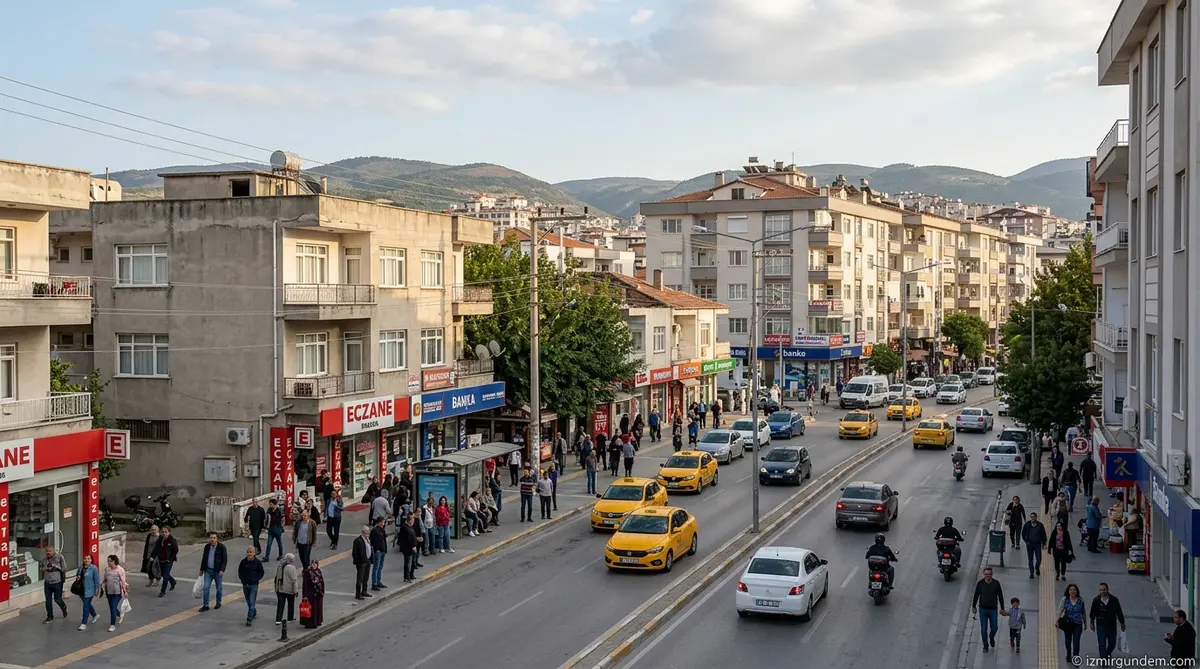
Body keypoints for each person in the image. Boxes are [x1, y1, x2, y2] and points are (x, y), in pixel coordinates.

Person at [1089, 582, 1126, 659]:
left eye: (1104, 590)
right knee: (1102, 644)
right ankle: (1103, 659)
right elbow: (1092, 613)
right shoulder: (1096, 600)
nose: (1102, 591)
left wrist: (1122, 623)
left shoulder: (1114, 600)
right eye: (1101, 590)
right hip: (1101, 625)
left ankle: (1108, 653)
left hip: (1111, 625)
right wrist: (1092, 623)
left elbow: (1119, 612)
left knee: (1112, 644)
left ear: (1108, 590)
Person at [971, 567, 1004, 652]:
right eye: (986, 574)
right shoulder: (980, 583)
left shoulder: (996, 583)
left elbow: (1000, 596)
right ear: (984, 574)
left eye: (989, 574)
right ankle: (985, 646)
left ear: (992, 574)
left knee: (994, 627)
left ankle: (991, 636)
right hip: (983, 609)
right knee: (983, 629)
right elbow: (976, 595)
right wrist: (974, 606)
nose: (987, 576)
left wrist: (1002, 608)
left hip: (993, 609)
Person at [197, 532, 227, 612]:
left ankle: (218, 602)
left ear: (217, 539)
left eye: (214, 538)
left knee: (219, 588)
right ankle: (205, 605)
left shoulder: (222, 547)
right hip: (208, 571)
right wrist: (201, 569)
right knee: (206, 588)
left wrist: (222, 570)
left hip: (218, 571)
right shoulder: (207, 547)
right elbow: (204, 558)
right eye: (211, 538)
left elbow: (225, 560)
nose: (212, 539)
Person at [1058, 582, 1087, 662]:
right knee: (1068, 641)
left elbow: (1083, 612)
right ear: (1068, 591)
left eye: (1074, 590)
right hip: (1068, 623)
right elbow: (1060, 610)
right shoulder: (1065, 599)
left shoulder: (1081, 601)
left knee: (1076, 641)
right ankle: (1068, 655)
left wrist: (1085, 623)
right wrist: (1057, 620)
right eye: (1071, 590)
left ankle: (1075, 657)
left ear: (1077, 591)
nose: (1072, 591)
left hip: (1078, 624)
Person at [237, 546, 264, 626]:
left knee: (252, 601)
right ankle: (253, 611)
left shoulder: (258, 562)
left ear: (254, 553)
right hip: (245, 584)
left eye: (251, 552)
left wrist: (256, 579)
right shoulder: (243, 562)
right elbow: (240, 571)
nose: (249, 554)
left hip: (253, 585)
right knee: (248, 601)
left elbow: (261, 572)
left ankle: (249, 618)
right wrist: (242, 579)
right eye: (248, 552)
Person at [41, 545, 68, 622]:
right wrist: (44, 569)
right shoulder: (44, 560)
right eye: (47, 551)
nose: (48, 553)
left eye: (50, 551)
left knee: (57, 599)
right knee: (48, 601)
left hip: (57, 582)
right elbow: (42, 568)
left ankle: (63, 607)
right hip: (47, 583)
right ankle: (50, 616)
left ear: (53, 551)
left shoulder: (59, 557)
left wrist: (56, 568)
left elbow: (64, 568)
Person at [102, 555, 128, 633]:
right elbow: (105, 580)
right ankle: (120, 614)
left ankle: (112, 625)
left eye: (110, 561)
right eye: (108, 561)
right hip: (109, 592)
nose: (109, 563)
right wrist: (102, 586)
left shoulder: (120, 570)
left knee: (113, 609)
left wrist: (125, 591)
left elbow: (123, 582)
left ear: (114, 561)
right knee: (112, 608)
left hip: (117, 593)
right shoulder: (107, 570)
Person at [75, 554, 101, 631]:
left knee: (85, 606)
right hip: (81, 590)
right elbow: (77, 575)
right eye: (85, 558)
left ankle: (83, 623)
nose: (86, 560)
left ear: (91, 560)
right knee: (87, 604)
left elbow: (96, 580)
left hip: (89, 590)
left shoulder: (94, 568)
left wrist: (97, 589)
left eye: (88, 559)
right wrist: (78, 577)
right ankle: (94, 615)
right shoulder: (81, 567)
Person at [153, 526, 180, 596]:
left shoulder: (172, 540)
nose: (164, 533)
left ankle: (162, 591)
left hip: (168, 561)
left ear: (169, 532)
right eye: (163, 532)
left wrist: (170, 558)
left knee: (165, 576)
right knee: (163, 574)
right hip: (161, 560)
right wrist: (153, 556)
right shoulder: (160, 539)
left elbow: (176, 550)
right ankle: (173, 582)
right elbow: (156, 548)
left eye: (166, 532)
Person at [1021, 512, 1048, 579]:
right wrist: (1026, 541)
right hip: (1029, 544)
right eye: (1031, 517)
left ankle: (1037, 567)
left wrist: (1044, 543)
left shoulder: (1040, 525)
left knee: (1039, 559)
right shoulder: (1027, 524)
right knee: (1030, 559)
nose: (1032, 518)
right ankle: (1031, 572)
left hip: (1037, 544)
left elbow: (1043, 534)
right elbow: (1023, 533)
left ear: (1036, 517)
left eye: (1034, 517)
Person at [273, 553, 299, 623]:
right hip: (290, 590)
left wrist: (276, 588)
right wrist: (295, 591)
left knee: (280, 605)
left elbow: (277, 578)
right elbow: (294, 580)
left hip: (281, 589)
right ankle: (290, 618)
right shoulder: (292, 568)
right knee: (291, 604)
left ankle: (278, 619)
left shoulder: (280, 566)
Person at [301, 559, 325, 629]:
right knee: (311, 609)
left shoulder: (318, 571)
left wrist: (322, 591)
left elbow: (321, 581)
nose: (314, 565)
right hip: (310, 594)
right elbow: (305, 585)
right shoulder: (308, 572)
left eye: (315, 564)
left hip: (318, 593)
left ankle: (317, 622)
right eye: (313, 563)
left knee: (317, 608)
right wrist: (305, 595)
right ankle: (310, 623)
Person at [351, 527, 373, 600]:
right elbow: (354, 553)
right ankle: (358, 594)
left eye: (368, 533)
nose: (367, 534)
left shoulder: (367, 540)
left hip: (367, 561)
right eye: (366, 533)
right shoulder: (358, 540)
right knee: (360, 579)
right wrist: (359, 562)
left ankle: (364, 591)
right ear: (362, 532)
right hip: (361, 562)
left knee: (366, 577)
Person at [397, 515, 419, 583]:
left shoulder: (409, 527)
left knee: (412, 562)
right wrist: (413, 546)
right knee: (408, 563)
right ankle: (407, 577)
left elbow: (412, 537)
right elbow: (408, 539)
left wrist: (417, 539)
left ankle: (411, 575)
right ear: (409, 520)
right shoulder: (405, 528)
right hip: (408, 549)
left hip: (412, 548)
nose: (413, 522)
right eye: (412, 521)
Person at [369, 517, 389, 590]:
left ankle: (378, 581)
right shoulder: (375, 530)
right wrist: (376, 549)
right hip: (378, 551)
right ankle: (374, 583)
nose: (383, 524)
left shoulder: (382, 530)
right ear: (379, 522)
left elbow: (384, 538)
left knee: (380, 566)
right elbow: (373, 541)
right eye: (382, 522)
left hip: (382, 550)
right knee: (376, 567)